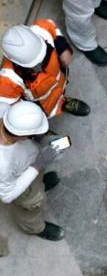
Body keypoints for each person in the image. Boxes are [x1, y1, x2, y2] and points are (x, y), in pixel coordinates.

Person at [0, 101, 64, 241]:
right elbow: (7, 195)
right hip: (19, 180)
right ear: (22, 135)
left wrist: (39, 138)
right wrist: (37, 165)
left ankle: (39, 185)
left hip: (30, 166)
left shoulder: (4, 109)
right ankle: (33, 227)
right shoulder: (3, 163)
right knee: (32, 203)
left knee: (37, 183)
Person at [0, 21, 90, 118]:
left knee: (60, 90)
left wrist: (63, 48)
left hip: (59, 81)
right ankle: (46, 119)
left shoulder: (41, 30)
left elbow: (52, 27)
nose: (40, 61)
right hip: (43, 105)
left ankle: (64, 102)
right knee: (45, 113)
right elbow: (8, 104)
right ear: (12, 59)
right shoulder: (7, 80)